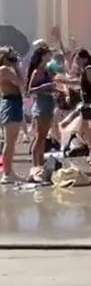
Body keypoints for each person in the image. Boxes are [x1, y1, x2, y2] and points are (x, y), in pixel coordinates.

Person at [26, 46, 57, 170]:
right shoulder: (37, 71)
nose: (50, 57)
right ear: (43, 56)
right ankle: (35, 165)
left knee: (43, 137)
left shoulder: (46, 70)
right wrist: (45, 86)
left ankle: (40, 162)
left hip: (49, 104)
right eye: (48, 55)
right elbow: (30, 90)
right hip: (40, 105)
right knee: (39, 137)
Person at [0, 47, 25, 183]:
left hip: (14, 102)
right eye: (11, 57)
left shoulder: (6, 70)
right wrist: (17, 67)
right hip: (10, 103)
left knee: (11, 141)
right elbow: (21, 83)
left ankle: (9, 171)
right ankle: (7, 173)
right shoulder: (4, 69)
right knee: (9, 142)